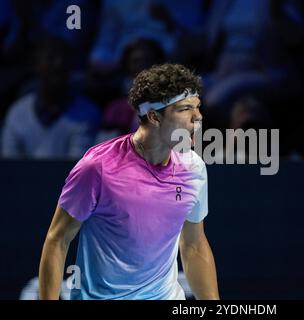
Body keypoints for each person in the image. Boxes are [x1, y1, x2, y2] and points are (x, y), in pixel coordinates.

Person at [38, 63, 220, 300]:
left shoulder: (193, 168)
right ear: (154, 116)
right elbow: (58, 239)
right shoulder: (96, 167)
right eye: (185, 109)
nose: (198, 118)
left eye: (197, 107)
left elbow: (194, 245)